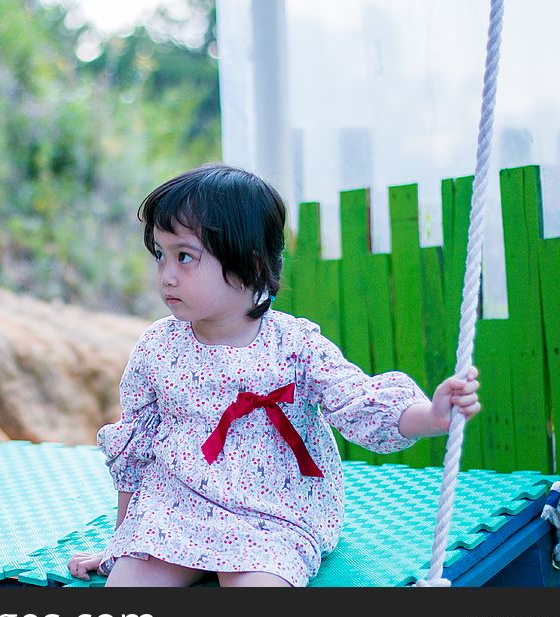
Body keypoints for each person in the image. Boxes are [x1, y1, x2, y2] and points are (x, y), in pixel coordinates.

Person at [67, 163, 481, 587]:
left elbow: (356, 400)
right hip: (178, 506)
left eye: (185, 256)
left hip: (272, 512)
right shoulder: (158, 347)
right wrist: (122, 544)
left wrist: (430, 415)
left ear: (248, 263)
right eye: (160, 255)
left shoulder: (295, 345)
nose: (166, 274)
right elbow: (135, 445)